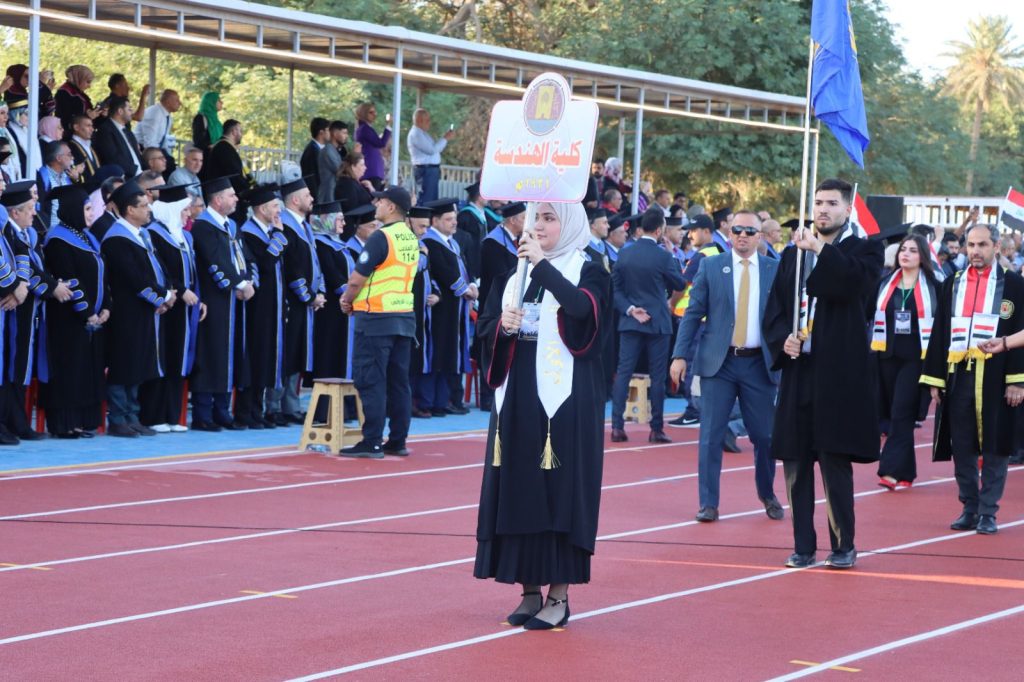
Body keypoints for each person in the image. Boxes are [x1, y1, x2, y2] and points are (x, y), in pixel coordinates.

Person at [474, 201, 609, 630]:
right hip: (517, 398)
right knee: (519, 486)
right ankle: (529, 590)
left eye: (550, 219)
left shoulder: (590, 270)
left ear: (568, 224)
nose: (540, 226)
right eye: (536, 219)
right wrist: (503, 325)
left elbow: (583, 314)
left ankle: (559, 596)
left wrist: (542, 267)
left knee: (559, 490)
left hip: (565, 404)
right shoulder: (511, 276)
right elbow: (485, 332)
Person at [762, 178, 884, 569]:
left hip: (838, 373)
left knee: (834, 460)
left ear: (847, 209)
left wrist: (820, 249)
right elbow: (776, 309)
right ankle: (803, 545)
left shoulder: (865, 249)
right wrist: (784, 340)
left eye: (832, 203)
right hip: (800, 369)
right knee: (796, 461)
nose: (823, 209)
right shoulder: (792, 255)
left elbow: (853, 287)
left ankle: (843, 544)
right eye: (818, 202)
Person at [670, 210, 782, 522]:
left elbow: (785, 316)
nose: (743, 236)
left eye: (750, 231)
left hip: (759, 364)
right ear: (729, 234)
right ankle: (708, 503)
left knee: (765, 437)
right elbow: (693, 313)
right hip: (719, 364)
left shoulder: (775, 268)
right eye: (737, 231)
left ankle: (767, 493)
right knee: (710, 436)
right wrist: (679, 356)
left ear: (760, 236)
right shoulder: (711, 265)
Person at [923, 224, 1024, 535]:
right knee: (962, 444)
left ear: (996, 247)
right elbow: (940, 330)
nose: (975, 251)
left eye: (982, 244)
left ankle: (988, 511)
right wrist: (935, 378)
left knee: (996, 445)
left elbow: (1019, 329)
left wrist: (1017, 380)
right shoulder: (952, 283)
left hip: (996, 374)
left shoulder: (1014, 285)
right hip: (959, 374)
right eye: (971, 245)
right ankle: (969, 505)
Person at [338, 186, 418, 458]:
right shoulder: (410, 237)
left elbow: (356, 279)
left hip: (375, 318)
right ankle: (398, 440)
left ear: (392, 206)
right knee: (398, 382)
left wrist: (346, 300)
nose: (376, 205)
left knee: (371, 380)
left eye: (381, 201)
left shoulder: (380, 237)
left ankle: (371, 440)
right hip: (403, 318)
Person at [100, 180, 172, 437]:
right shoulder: (116, 239)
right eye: (143, 206)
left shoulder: (143, 235)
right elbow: (134, 278)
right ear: (129, 210)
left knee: (139, 363)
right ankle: (118, 418)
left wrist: (167, 293)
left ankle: (133, 415)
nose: (148, 210)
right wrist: (161, 298)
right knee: (124, 364)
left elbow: (159, 268)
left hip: (145, 310)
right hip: (126, 312)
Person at [610, 208, 686, 443]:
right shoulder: (663, 256)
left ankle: (617, 427)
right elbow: (680, 282)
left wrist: (631, 309)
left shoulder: (624, 254)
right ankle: (656, 429)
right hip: (658, 323)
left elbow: (615, 289)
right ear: (659, 230)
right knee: (657, 375)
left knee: (623, 373)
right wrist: (672, 255)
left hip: (631, 320)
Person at [872, 234, 940, 490]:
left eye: (912, 250)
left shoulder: (934, 286)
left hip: (916, 359)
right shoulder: (884, 283)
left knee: (901, 412)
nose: (906, 254)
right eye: (903, 249)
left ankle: (888, 470)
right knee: (892, 413)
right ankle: (907, 472)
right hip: (886, 356)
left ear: (922, 255)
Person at [40, 185, 108, 438]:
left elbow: (102, 273)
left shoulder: (86, 237)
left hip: (91, 319)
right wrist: (88, 312)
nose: (91, 214)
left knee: (85, 370)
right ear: (72, 210)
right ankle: (65, 423)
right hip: (67, 319)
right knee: (69, 370)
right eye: (87, 209)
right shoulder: (58, 240)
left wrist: (106, 307)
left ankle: (82, 421)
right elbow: (69, 281)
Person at [189, 176, 254, 431]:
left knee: (231, 353)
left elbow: (245, 259)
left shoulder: (233, 226)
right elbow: (213, 262)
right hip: (214, 299)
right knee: (212, 353)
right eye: (231, 195)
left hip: (235, 299)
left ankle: (222, 409)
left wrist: (249, 282)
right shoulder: (203, 227)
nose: (236, 198)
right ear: (217, 200)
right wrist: (238, 285)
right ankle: (204, 413)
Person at [141, 184, 203, 433]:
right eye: (185, 209)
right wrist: (179, 289)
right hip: (166, 305)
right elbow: (161, 270)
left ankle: (172, 414)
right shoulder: (153, 233)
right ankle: (154, 415)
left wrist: (199, 297)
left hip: (185, 307)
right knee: (163, 358)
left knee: (178, 359)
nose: (189, 213)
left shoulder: (184, 235)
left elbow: (193, 271)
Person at [237, 183, 289, 429]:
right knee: (255, 355)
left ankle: (258, 410)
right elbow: (266, 265)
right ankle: (246, 411)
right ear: (261, 208)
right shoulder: (249, 233)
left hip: (272, 305)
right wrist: (279, 237)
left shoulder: (267, 231)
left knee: (266, 356)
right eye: (275, 206)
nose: (279, 211)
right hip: (257, 305)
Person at [421, 198, 478, 417]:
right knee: (440, 353)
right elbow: (444, 272)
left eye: (454, 218)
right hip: (441, 307)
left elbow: (464, 267)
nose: (454, 223)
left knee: (452, 352)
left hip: (457, 308)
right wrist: (465, 290)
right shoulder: (431, 242)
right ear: (434, 221)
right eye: (449, 219)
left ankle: (445, 400)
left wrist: (472, 284)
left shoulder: (451, 242)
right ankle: (434, 401)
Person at [279, 177, 324, 423]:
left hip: (305, 301)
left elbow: (314, 262)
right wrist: (309, 297)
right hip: (292, 301)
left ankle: (291, 405)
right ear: (295, 200)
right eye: (308, 195)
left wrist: (320, 293)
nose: (312, 199)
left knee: (298, 352)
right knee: (288, 352)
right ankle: (281, 405)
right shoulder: (286, 225)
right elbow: (293, 268)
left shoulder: (303, 225)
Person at [310, 200, 354, 381]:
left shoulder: (338, 243)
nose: (343, 223)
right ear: (326, 220)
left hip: (342, 306)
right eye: (339, 219)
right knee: (328, 350)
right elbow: (331, 273)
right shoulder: (321, 244)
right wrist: (349, 293)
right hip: (329, 308)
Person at [407, 205, 439, 418]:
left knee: (420, 356)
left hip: (423, 311)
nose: (425, 231)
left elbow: (430, 275)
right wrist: (422, 254)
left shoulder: (422, 244)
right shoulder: (407, 244)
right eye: (421, 226)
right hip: (408, 308)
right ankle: (407, 402)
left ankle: (417, 400)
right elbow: (415, 268)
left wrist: (436, 293)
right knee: (408, 357)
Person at [407, 108, 454, 205]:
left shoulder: (422, 134)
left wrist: (444, 139)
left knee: (432, 199)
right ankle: (424, 219)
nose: (429, 122)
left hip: (430, 170)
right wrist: (445, 138)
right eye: (427, 120)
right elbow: (431, 150)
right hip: (425, 170)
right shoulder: (416, 134)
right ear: (419, 120)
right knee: (427, 200)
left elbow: (435, 150)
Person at [92, 96, 143, 178]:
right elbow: (113, 158)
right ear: (120, 111)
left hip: (139, 174)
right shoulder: (105, 130)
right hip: (125, 178)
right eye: (129, 109)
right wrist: (136, 171)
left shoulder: (128, 132)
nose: (132, 112)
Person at [136, 89, 181, 176]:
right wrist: (160, 158)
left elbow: (163, 140)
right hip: (143, 150)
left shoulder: (167, 116)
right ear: (168, 102)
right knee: (169, 167)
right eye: (177, 100)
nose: (179, 103)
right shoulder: (155, 113)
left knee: (171, 163)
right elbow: (149, 143)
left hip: (155, 149)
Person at [36, 141, 76, 229]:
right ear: (58, 158)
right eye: (69, 154)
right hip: (50, 232)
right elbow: (40, 210)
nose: (72, 158)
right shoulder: (41, 178)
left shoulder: (67, 177)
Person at [353, 102, 391, 191]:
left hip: (372, 169)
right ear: (363, 113)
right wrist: (388, 126)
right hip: (371, 170)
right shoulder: (365, 129)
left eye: (374, 112)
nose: (374, 115)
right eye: (371, 112)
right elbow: (381, 143)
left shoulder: (364, 128)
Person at [455, 182, 487, 281]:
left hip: (480, 259)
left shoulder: (482, 213)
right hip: (470, 260)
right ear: (479, 197)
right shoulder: (466, 215)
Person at [6, 99, 41, 180]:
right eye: (26, 114)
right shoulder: (10, 131)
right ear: (16, 114)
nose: (30, 117)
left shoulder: (28, 130)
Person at [317, 120, 348, 204]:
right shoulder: (328, 151)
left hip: (333, 196)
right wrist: (354, 156)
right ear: (334, 133)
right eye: (344, 133)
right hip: (328, 197)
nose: (346, 136)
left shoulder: (336, 150)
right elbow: (341, 170)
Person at [301, 117, 329, 200]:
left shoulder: (323, 149)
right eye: (328, 130)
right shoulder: (312, 152)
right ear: (321, 132)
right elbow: (311, 180)